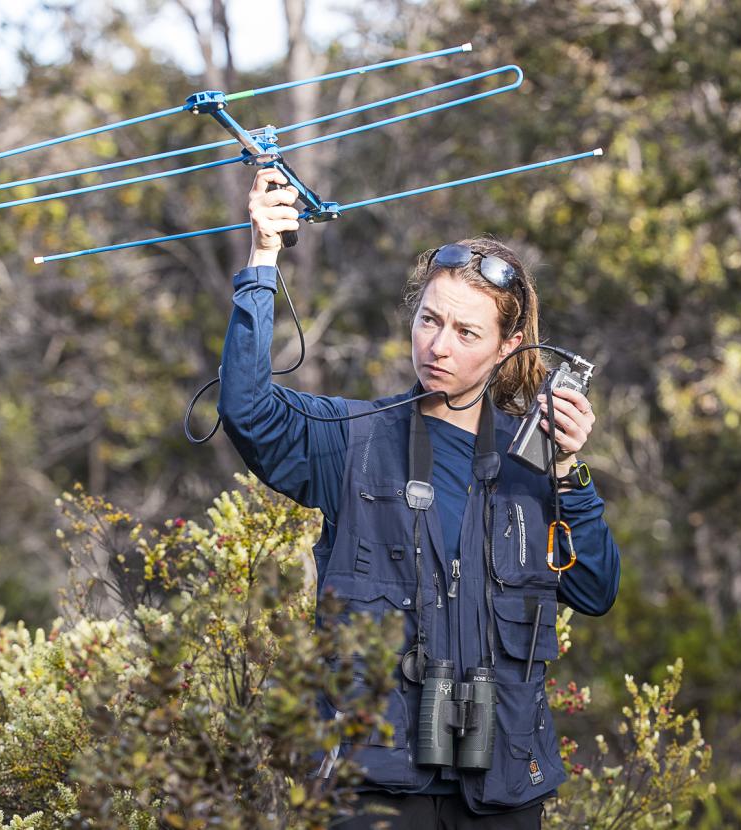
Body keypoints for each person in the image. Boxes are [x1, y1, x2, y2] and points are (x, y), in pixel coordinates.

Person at [218, 167, 621, 828]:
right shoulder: (350, 440)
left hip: (501, 791)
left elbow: (595, 591)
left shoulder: (533, 463)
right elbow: (248, 410)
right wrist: (263, 257)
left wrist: (571, 472)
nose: (437, 346)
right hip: (375, 786)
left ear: (506, 346)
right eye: (429, 320)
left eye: (466, 333)